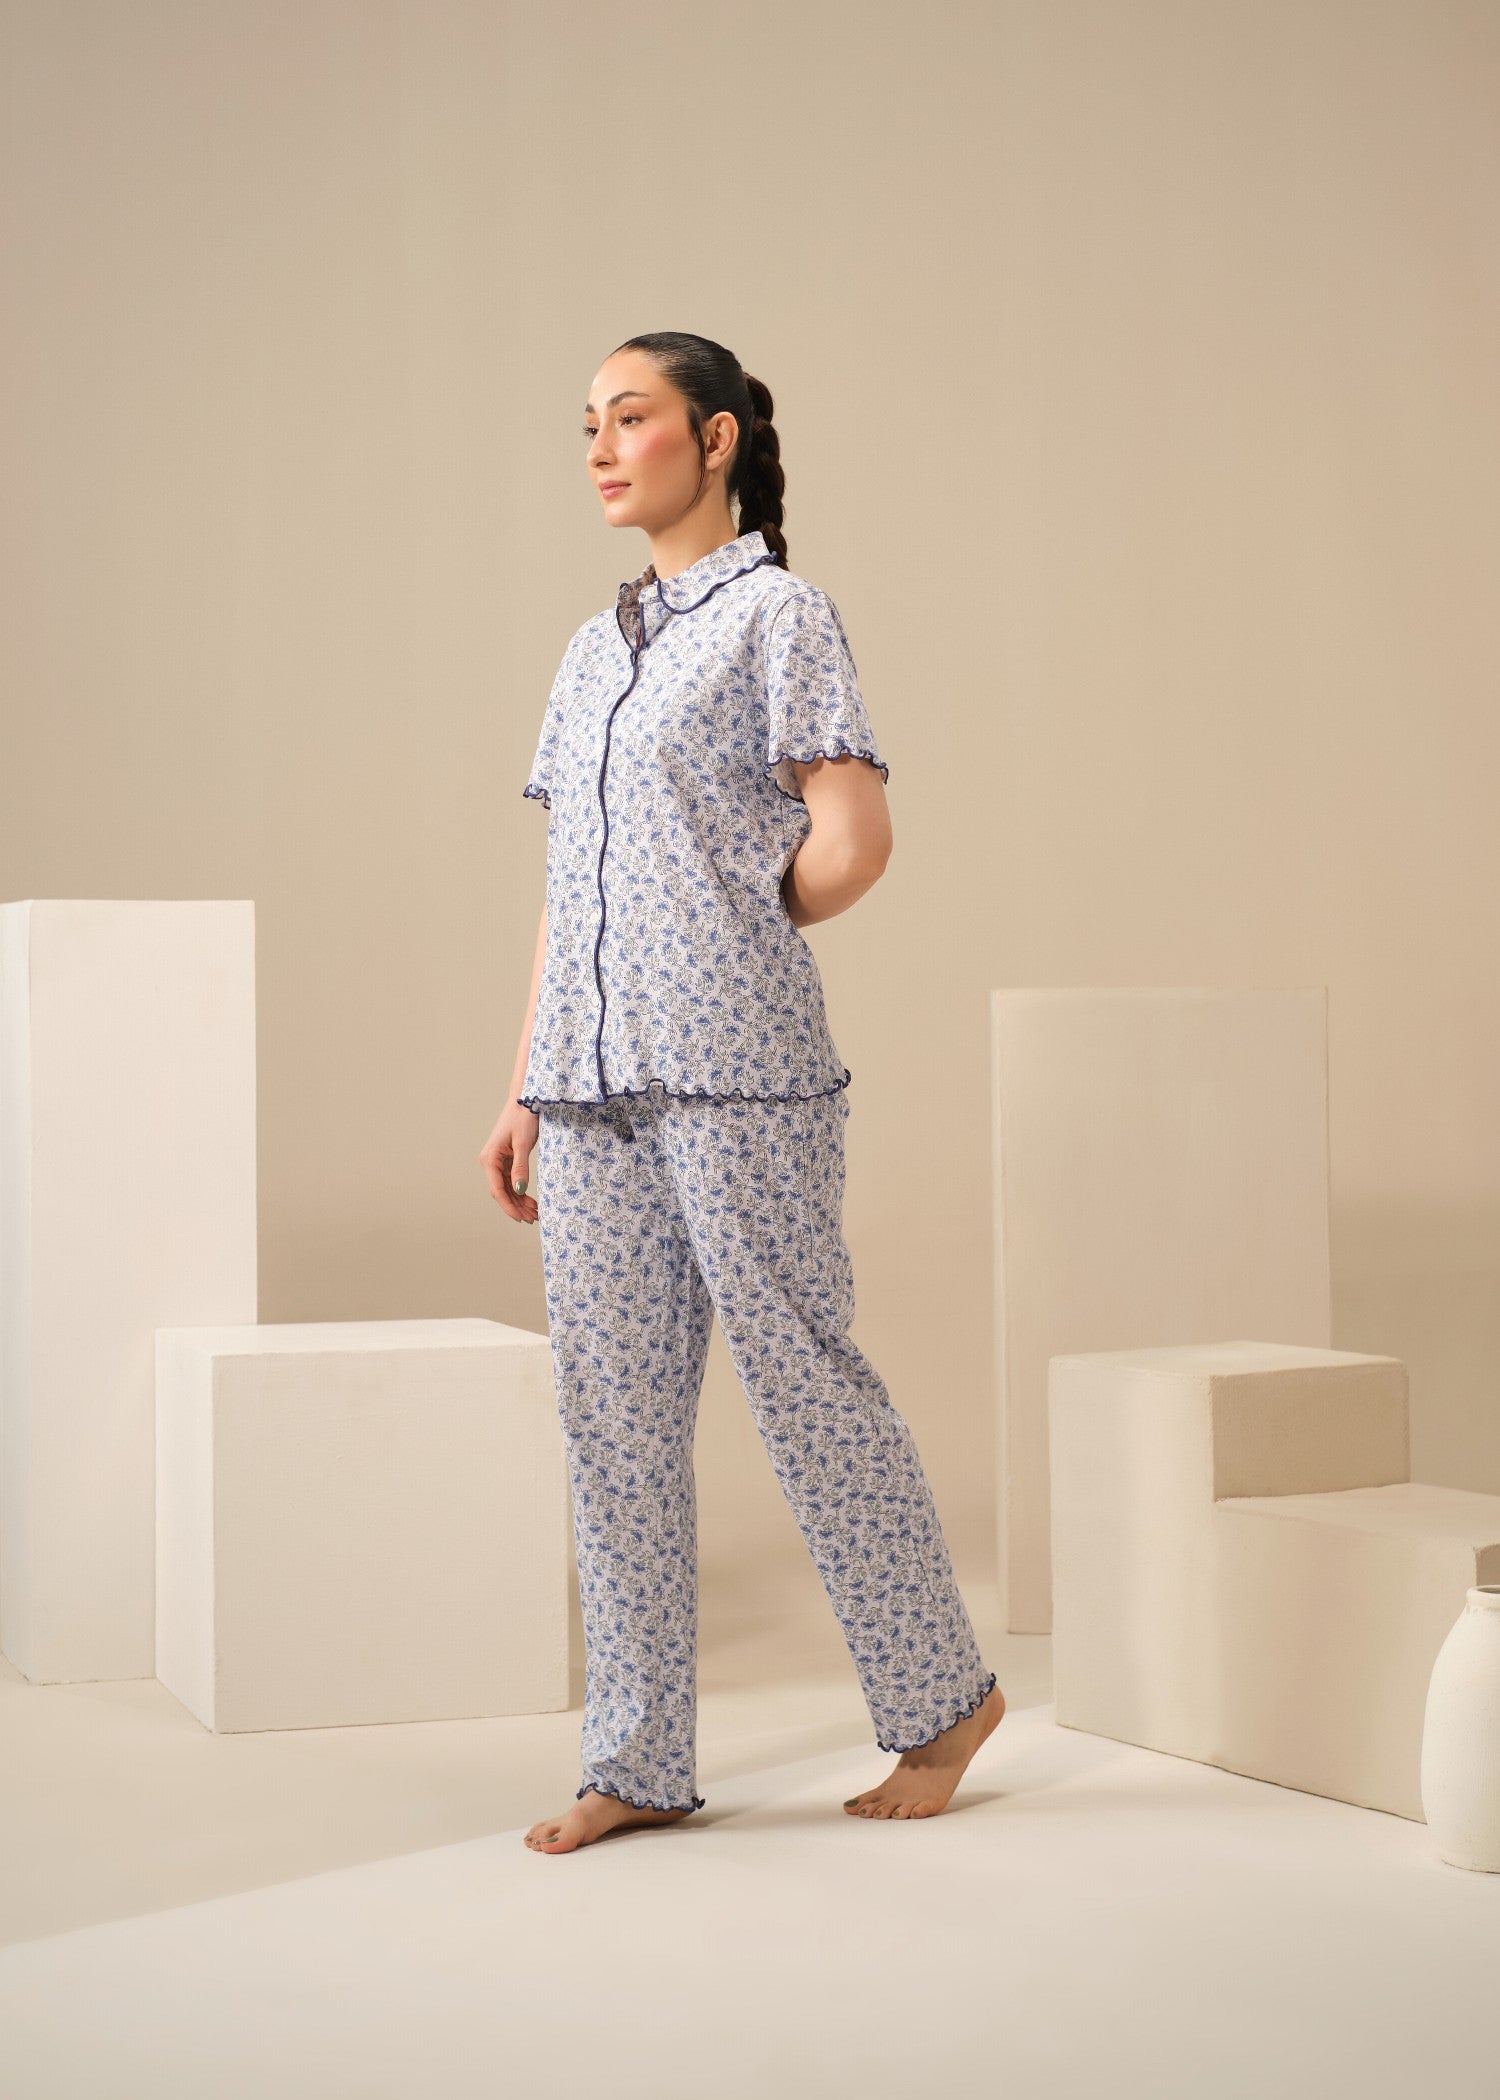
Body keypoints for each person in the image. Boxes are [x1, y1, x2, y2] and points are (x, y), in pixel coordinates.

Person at [478, 331, 1004, 1855]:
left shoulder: (780, 616)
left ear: (713, 440)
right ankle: (637, 1757)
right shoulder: (590, 653)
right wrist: (523, 1084)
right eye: (587, 422)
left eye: (629, 417)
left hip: (735, 1070)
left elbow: (855, 837)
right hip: (586, 1086)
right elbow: (571, 880)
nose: (600, 446)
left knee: (803, 1385)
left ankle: (942, 1701)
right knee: (613, 1421)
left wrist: (729, 915)